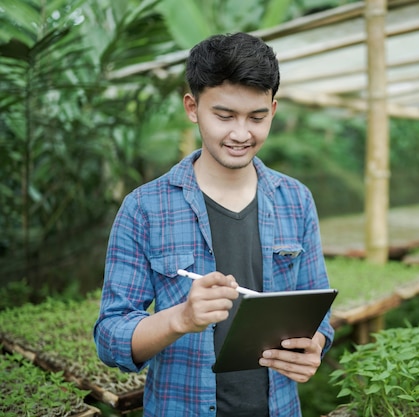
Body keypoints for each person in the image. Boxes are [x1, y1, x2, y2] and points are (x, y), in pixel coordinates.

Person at [93, 32, 335, 417]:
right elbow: (110, 338)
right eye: (224, 116)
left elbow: (317, 309)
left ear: (273, 109)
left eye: (256, 117)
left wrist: (315, 345)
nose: (241, 134)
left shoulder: (296, 199)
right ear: (192, 107)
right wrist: (181, 318)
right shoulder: (144, 208)